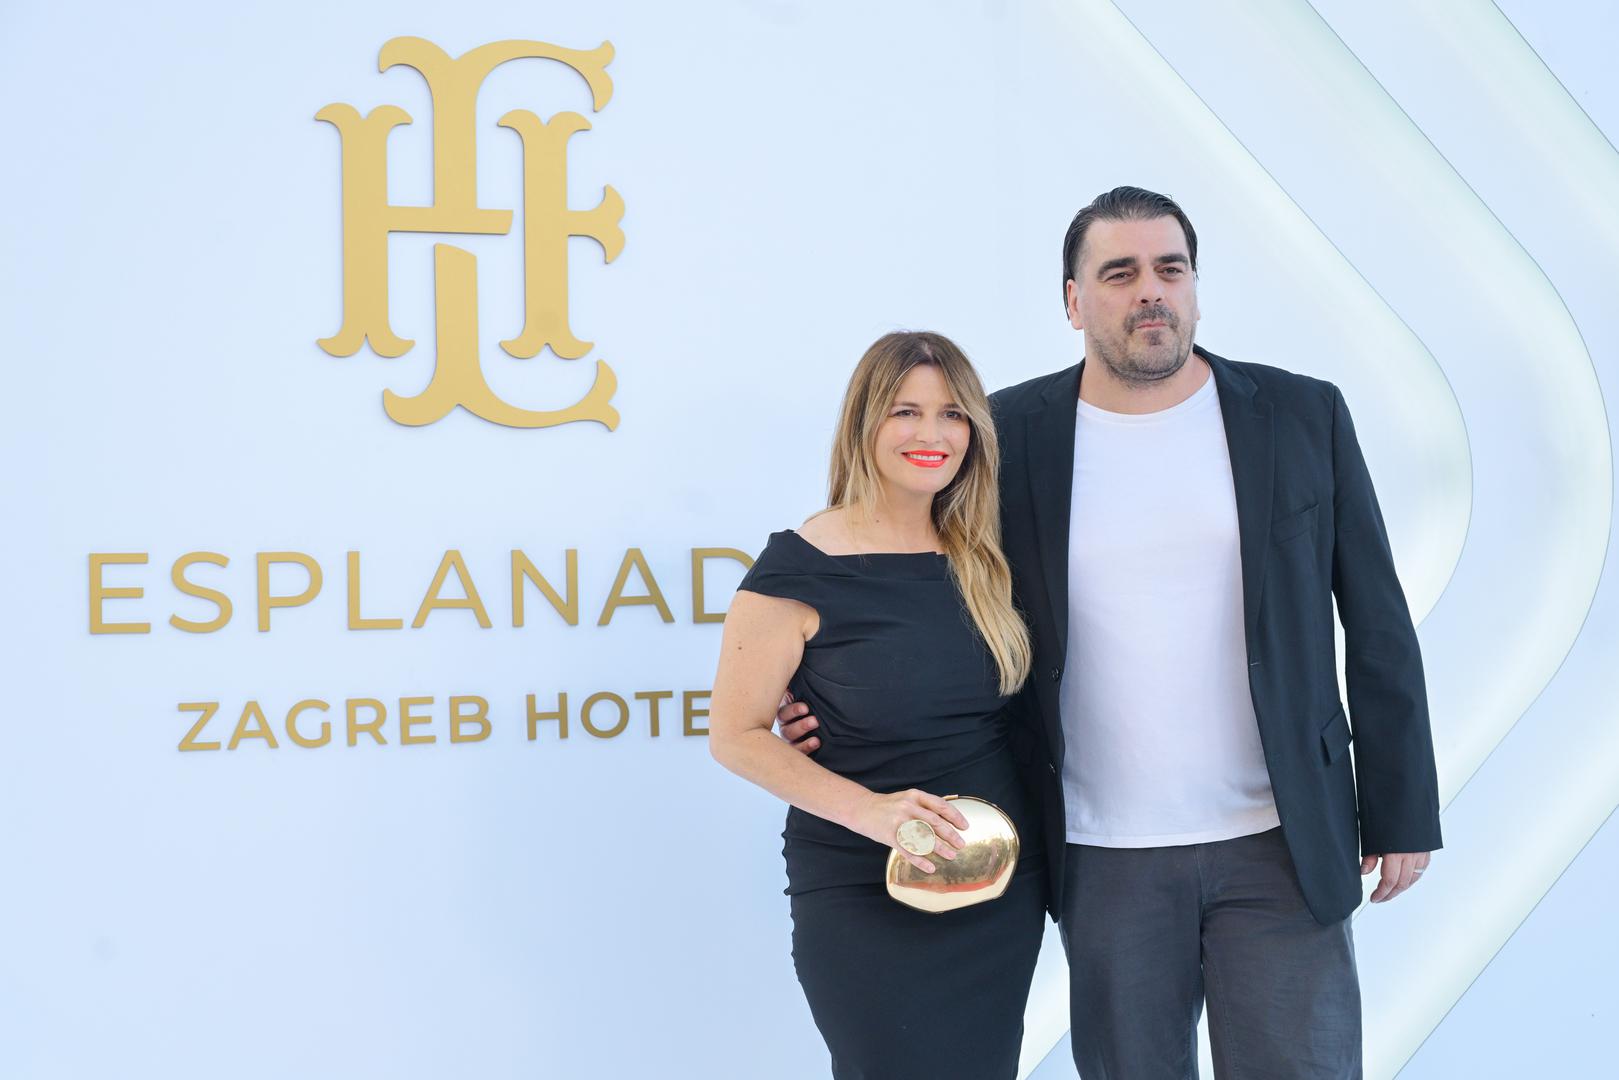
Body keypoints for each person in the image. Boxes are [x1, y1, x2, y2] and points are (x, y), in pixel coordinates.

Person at [777, 187, 1443, 1078]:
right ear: (1073, 300)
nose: (1149, 291)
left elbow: (1377, 621)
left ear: (1195, 287)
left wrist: (1400, 805)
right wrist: (820, 686)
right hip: (1100, 853)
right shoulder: (1006, 434)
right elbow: (915, 574)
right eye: (1119, 273)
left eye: (1169, 268)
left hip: (1282, 839)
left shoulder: (1299, 413)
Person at [708, 330, 1047, 1080]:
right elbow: (734, 734)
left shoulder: (985, 556)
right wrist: (872, 813)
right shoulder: (797, 569)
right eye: (906, 411)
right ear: (864, 421)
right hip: (861, 890)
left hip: (994, 884)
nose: (933, 434)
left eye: (953, 414)